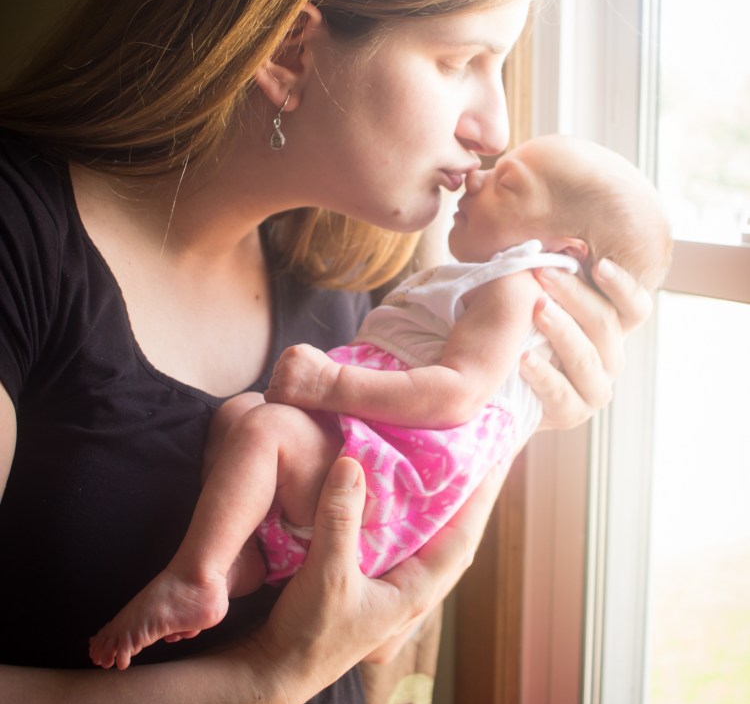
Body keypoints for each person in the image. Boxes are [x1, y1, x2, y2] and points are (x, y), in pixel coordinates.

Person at [0, 0, 651, 704]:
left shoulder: (338, 279)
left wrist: (513, 403)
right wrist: (262, 683)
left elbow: (367, 616)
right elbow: (298, 666)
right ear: (291, 50)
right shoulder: (16, 245)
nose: (495, 127)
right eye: (463, 61)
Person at [88, 134, 671, 672]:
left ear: (562, 252)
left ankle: (197, 578)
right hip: (372, 473)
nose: (477, 176)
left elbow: (458, 393)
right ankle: (245, 562)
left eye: (509, 183)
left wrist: (328, 384)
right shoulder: (479, 281)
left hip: (388, 482)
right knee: (241, 418)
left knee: (264, 430)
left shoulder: (515, 286)